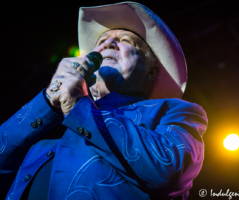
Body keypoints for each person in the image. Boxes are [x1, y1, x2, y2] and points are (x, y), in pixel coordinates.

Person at [0, 2, 207, 200]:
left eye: (126, 41)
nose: (108, 43)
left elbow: (170, 170)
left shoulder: (175, 112)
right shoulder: (40, 148)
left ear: (151, 71)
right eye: (102, 42)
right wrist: (48, 101)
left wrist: (78, 107)